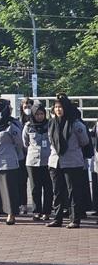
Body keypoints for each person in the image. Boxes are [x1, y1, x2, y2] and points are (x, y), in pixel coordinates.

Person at [47, 93, 91, 228]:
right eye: (56, 107)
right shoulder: (52, 123)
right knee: (57, 191)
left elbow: (84, 141)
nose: (58, 110)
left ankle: (75, 219)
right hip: (55, 162)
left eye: (61, 107)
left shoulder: (75, 123)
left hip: (72, 162)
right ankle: (57, 218)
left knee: (73, 191)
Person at [0, 99, 23, 225]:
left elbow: (19, 142)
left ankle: (11, 214)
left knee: (9, 190)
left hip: (8, 162)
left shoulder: (11, 126)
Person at [23, 102, 53, 221]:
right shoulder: (28, 126)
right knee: (35, 188)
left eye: (42, 114)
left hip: (48, 160)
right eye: (37, 114)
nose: (39, 116)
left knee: (48, 187)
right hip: (32, 161)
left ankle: (47, 211)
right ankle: (36, 211)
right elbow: (25, 143)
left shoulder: (50, 125)